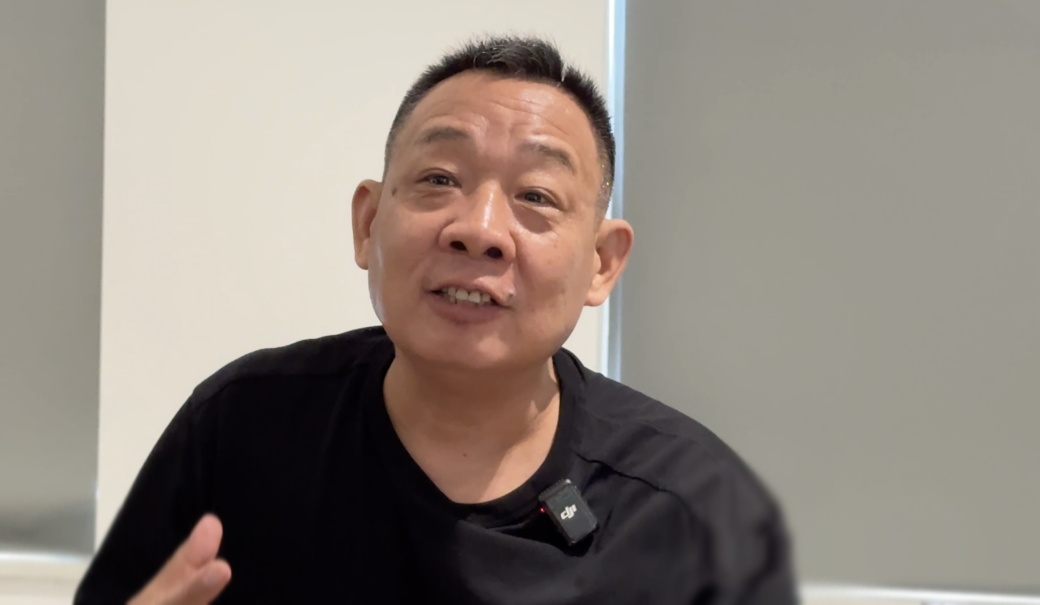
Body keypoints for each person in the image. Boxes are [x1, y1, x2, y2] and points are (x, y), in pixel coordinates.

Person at [74, 35, 797, 604]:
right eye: (439, 179)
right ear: (367, 224)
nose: (478, 229)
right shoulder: (242, 428)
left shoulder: (689, 507)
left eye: (536, 196)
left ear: (602, 264)